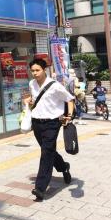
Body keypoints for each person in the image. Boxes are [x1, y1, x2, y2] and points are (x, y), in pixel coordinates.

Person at [25, 58, 74, 201]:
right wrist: (29, 101)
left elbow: (70, 99)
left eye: (37, 70)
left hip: (52, 123)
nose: (34, 73)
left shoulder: (55, 86)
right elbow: (35, 100)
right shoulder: (31, 84)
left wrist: (69, 116)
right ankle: (64, 167)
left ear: (44, 70)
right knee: (49, 151)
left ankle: (40, 188)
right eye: (32, 70)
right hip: (37, 123)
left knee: (46, 153)